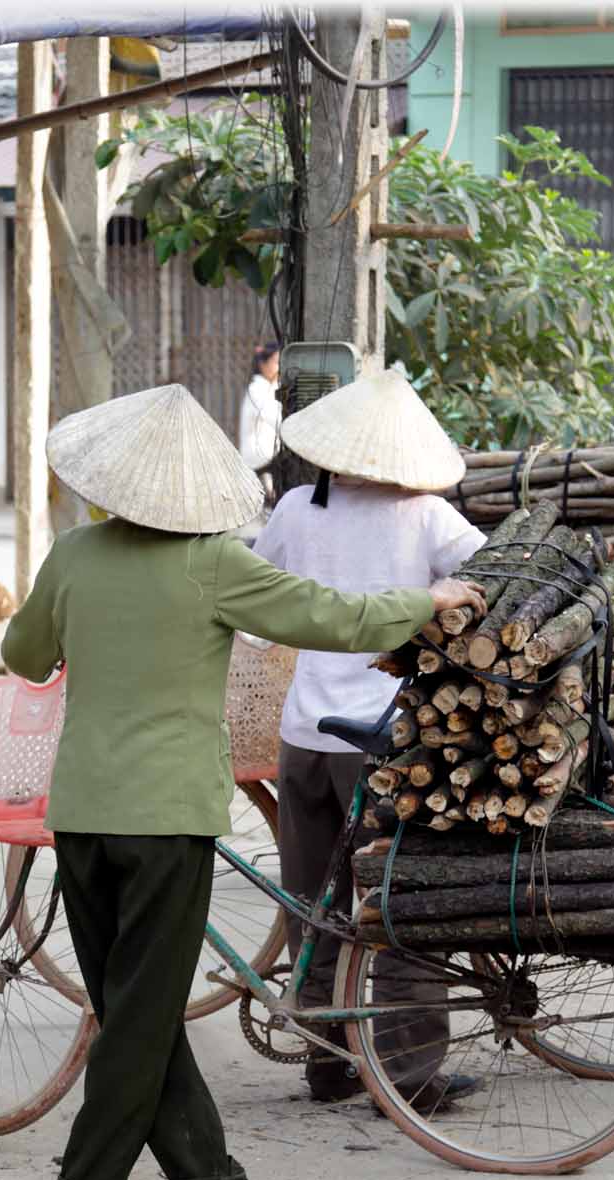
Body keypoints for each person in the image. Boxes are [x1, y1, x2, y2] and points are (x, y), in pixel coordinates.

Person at [1, 383, 485, 1180]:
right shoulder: (213, 563)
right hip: (168, 817)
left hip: (79, 811)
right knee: (139, 1005)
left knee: (130, 1004)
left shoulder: (73, 555)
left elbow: (24, 652)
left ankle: (209, 1177)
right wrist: (424, 603)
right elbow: (328, 616)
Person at [251, 368, 484, 1108]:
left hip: (304, 739)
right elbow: (491, 582)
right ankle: (410, 1073)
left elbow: (258, 616)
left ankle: (326, 1059)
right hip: (385, 743)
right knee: (400, 899)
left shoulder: (295, 507)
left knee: (313, 900)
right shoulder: (425, 516)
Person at [236, 342, 282, 496]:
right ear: (262, 364)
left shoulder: (273, 386)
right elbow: (275, 419)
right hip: (258, 455)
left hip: (269, 452)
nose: (279, 368)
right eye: (276, 363)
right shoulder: (256, 389)